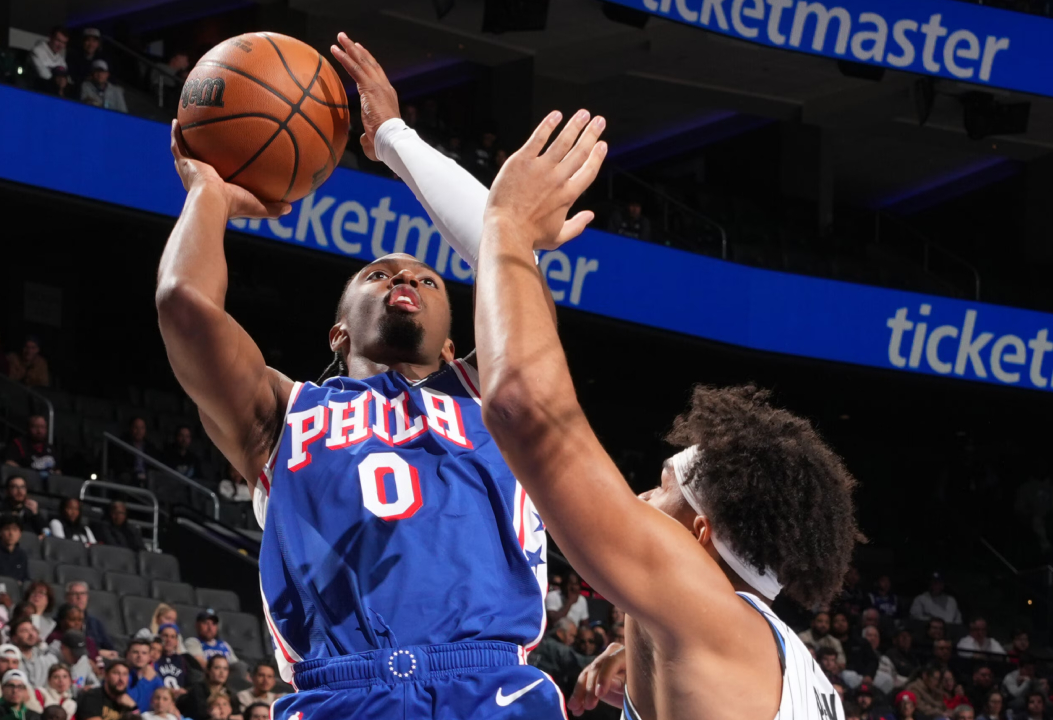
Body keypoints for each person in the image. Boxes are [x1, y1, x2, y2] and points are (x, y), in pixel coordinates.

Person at [364, 58, 854, 720]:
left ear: (701, 537)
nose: (635, 498)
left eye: (661, 492)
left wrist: (507, 220)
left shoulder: (710, 622)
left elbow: (522, 409)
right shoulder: (758, 652)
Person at [62, 584, 115, 658]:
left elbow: (110, 649)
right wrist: (98, 652)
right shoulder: (60, 622)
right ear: (67, 598)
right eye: (75, 594)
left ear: (87, 597)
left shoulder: (96, 623)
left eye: (83, 594)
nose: (79, 597)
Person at [111, 417, 159, 486]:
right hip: (130, 477)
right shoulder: (122, 444)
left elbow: (154, 466)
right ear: (131, 428)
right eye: (136, 428)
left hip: (147, 477)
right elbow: (120, 464)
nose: (139, 431)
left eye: (142, 428)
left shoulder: (150, 446)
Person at [12, 618, 55, 689]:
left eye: (33, 630)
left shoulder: (46, 658)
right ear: (15, 638)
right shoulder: (11, 660)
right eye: (24, 631)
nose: (31, 634)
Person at [125, 638, 164, 709]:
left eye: (144, 653)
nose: (140, 656)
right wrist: (145, 681)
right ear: (128, 655)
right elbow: (133, 704)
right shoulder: (121, 675)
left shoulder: (155, 678)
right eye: (135, 652)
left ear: (149, 657)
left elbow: (164, 703)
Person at [155, 622, 189, 692]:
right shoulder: (153, 659)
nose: (169, 640)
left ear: (177, 641)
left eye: (172, 637)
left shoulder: (183, 660)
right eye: (165, 636)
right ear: (159, 638)